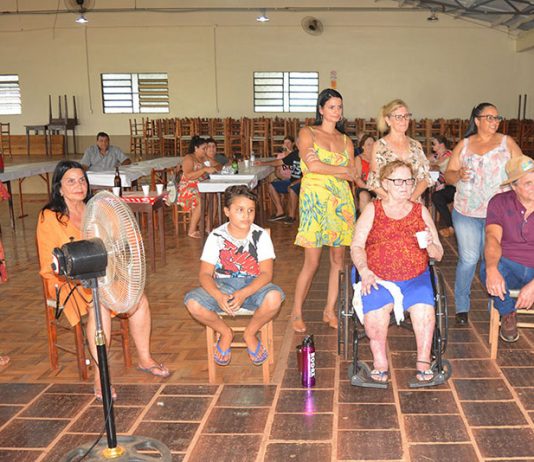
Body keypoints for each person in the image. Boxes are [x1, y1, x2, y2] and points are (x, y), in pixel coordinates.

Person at [36, 160, 170, 401]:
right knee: (100, 305)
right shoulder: (50, 217)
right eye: (71, 181)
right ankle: (101, 375)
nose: (78, 186)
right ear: (59, 188)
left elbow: (118, 241)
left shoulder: (97, 208)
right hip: (68, 281)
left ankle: (145, 358)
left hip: (102, 274)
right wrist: (79, 275)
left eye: (82, 180)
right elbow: (50, 263)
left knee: (138, 299)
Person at [350, 160, 443, 384]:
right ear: (385, 183)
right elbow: (357, 245)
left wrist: (430, 244)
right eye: (398, 181)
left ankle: (423, 362)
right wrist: (364, 270)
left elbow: (439, 254)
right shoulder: (373, 209)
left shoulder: (420, 211)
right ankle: (380, 363)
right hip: (378, 277)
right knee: (375, 316)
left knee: (424, 313)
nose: (405, 186)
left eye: (409, 181)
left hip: (415, 277)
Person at [184, 185, 284, 366]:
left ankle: (250, 333)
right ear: (227, 211)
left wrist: (244, 293)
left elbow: (266, 274)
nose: (246, 215)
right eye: (240, 210)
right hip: (223, 286)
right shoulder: (216, 236)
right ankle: (225, 332)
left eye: (251, 210)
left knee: (274, 297)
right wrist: (218, 295)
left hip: (254, 287)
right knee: (193, 303)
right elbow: (205, 274)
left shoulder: (260, 236)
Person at [444, 102, 523, 325]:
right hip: (467, 210)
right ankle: (462, 306)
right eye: (489, 117)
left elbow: (523, 169)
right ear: (477, 120)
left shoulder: (507, 143)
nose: (494, 122)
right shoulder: (464, 145)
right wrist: (458, 174)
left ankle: (496, 306)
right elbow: (448, 176)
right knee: (469, 259)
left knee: (494, 259)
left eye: (497, 118)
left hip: (500, 213)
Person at [291, 88, 357, 333]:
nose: (336, 111)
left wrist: (342, 172)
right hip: (315, 202)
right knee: (312, 261)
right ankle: (296, 312)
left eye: (339, 107)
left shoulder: (346, 141)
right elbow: (313, 165)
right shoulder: (307, 133)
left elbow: (353, 174)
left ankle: (330, 310)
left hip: (341, 202)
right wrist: (342, 170)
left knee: (338, 260)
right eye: (331, 107)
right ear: (321, 109)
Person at [482, 155, 534, 342]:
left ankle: (503, 306)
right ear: (513, 186)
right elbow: (492, 238)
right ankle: (508, 312)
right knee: (488, 267)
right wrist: (491, 269)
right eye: (528, 183)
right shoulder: (499, 202)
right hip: (511, 266)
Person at [367, 99, 432, 202]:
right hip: (388, 203)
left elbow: (425, 178)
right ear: (388, 120)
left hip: (413, 202)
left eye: (406, 116)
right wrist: (391, 201)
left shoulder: (416, 146)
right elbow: (373, 181)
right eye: (398, 117)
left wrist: (412, 199)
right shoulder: (379, 146)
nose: (404, 120)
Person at [177, 136, 218, 238]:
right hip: (188, 188)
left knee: (213, 197)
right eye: (204, 148)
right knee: (201, 199)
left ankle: (209, 227)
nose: (206, 150)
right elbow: (188, 175)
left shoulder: (204, 158)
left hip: (201, 186)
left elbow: (218, 165)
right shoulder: (189, 158)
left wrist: (214, 167)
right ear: (196, 148)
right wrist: (204, 170)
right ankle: (191, 230)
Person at [256, 137, 302, 225]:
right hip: (291, 181)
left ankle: (291, 216)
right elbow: (279, 162)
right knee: (271, 186)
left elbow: (309, 175)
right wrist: (262, 163)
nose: (299, 145)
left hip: (303, 182)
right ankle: (280, 212)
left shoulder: (308, 156)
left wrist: (294, 182)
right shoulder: (295, 154)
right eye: (298, 143)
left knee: (292, 188)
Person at [429, 135, 455, 238]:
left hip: (453, 186)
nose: (432, 146)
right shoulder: (435, 156)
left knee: (437, 197)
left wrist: (430, 164)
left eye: (434, 143)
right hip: (440, 186)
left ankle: (451, 226)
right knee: (433, 195)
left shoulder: (449, 154)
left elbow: (437, 165)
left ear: (441, 145)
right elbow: (425, 161)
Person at [354, 134, 376, 212]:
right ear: (363, 146)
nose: (371, 146)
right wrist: (368, 187)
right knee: (364, 195)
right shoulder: (359, 158)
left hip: (376, 186)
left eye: (373, 144)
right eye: (368, 144)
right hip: (364, 186)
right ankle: (364, 218)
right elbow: (357, 178)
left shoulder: (378, 158)